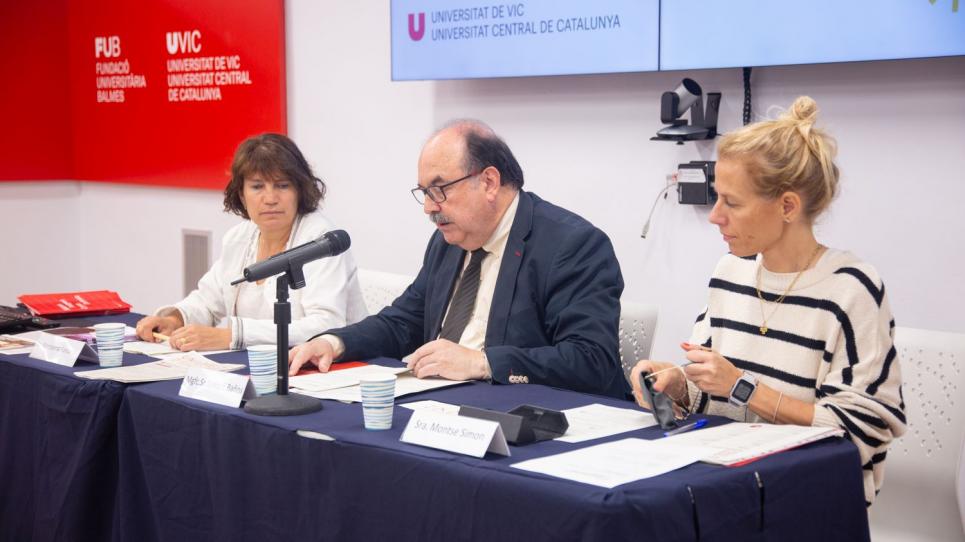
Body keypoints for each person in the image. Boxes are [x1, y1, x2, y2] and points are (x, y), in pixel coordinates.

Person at [630, 96, 905, 505]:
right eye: (716, 197)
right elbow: (714, 391)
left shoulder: (851, 289)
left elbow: (860, 430)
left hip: (807, 503)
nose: (715, 215)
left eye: (732, 202)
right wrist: (678, 385)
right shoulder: (731, 273)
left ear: (788, 206)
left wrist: (743, 387)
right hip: (728, 490)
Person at [288, 119, 629, 399]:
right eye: (424, 192)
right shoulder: (449, 241)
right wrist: (334, 342)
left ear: (489, 182)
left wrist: (481, 363)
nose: (428, 207)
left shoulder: (571, 245)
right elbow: (403, 322)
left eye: (440, 190)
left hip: (534, 419)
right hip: (444, 407)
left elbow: (590, 361)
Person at [135, 133, 367, 351]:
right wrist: (175, 319)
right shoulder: (239, 237)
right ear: (241, 195)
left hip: (333, 368)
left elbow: (325, 325)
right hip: (260, 365)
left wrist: (231, 336)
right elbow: (208, 301)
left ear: (300, 190)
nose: (270, 199)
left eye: (282, 185)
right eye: (257, 187)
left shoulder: (321, 240)